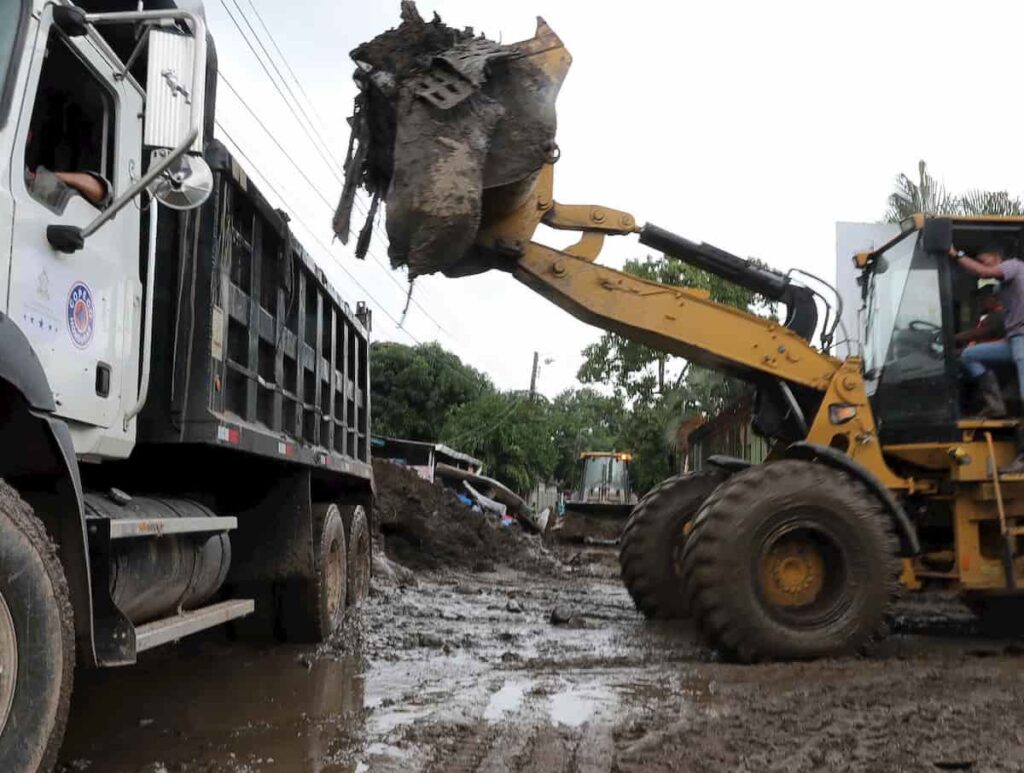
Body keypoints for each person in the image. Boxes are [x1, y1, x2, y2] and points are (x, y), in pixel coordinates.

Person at [950, 244, 1024, 472]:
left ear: (998, 256)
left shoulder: (1014, 266)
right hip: (1013, 341)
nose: (983, 267)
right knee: (969, 355)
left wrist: (957, 254)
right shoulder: (1004, 285)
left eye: (985, 261)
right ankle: (994, 405)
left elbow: (984, 273)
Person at [958, 283, 1008, 417]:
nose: (980, 301)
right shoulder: (990, 315)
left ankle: (994, 404)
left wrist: (950, 338)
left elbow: (980, 333)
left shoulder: (1000, 313)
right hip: (997, 354)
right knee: (964, 360)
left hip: (1009, 351)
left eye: (983, 298)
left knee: (966, 356)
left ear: (995, 298)